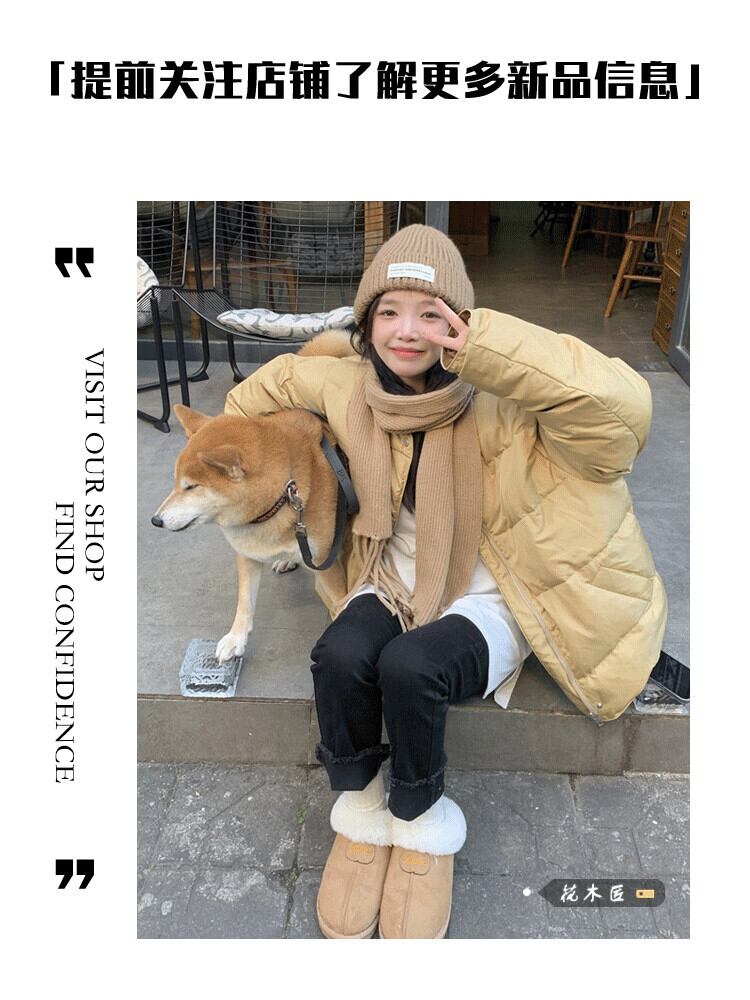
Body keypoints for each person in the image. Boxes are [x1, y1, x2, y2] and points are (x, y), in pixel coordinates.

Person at [224, 224, 667, 939]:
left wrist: (491, 349)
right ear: (366, 322)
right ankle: (361, 810)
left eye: (431, 314)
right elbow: (255, 398)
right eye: (389, 311)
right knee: (338, 654)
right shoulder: (349, 385)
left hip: (495, 591)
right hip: (394, 575)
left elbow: (623, 412)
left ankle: (419, 820)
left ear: (462, 322)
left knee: (412, 667)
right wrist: (288, 444)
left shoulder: (515, 401)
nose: (407, 331)